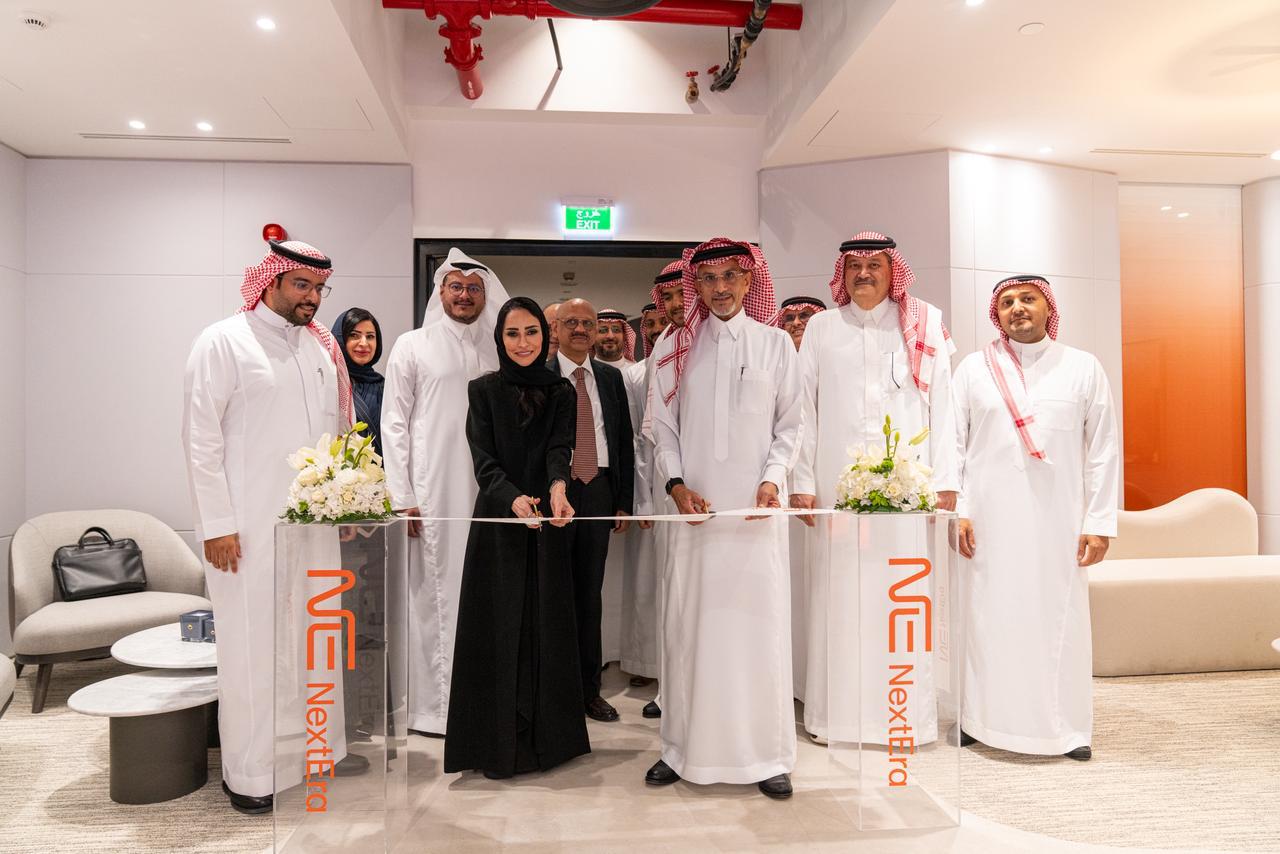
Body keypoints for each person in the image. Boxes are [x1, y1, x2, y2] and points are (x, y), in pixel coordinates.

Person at [182, 239, 363, 814]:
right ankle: (252, 773)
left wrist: (344, 505)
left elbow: (337, 433)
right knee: (253, 646)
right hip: (246, 530)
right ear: (270, 281)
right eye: (301, 285)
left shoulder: (320, 347)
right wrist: (216, 524)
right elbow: (200, 440)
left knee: (316, 638)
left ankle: (315, 755)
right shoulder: (223, 341)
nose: (312, 298)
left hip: (314, 525)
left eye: (319, 288)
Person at [789, 232, 959, 745]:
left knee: (901, 598)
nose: (864, 274)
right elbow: (802, 409)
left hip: (908, 493)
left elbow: (944, 406)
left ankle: (905, 718)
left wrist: (946, 481)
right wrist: (801, 482)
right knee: (838, 598)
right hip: (834, 488)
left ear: (893, 271)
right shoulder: (821, 328)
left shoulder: (923, 323)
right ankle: (835, 718)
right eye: (855, 266)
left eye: (875, 265)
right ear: (842, 273)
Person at [648, 238, 801, 799]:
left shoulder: (775, 344)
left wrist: (773, 479)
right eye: (708, 279)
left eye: (731, 277)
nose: (719, 288)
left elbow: (791, 425)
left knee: (758, 630)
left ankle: (767, 756)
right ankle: (680, 749)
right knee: (689, 629)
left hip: (756, 518)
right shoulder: (674, 347)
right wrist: (676, 485)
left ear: (749, 281)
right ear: (696, 286)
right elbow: (662, 428)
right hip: (694, 519)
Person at [954, 275, 1119, 761]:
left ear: (1049, 308)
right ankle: (979, 720)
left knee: (1059, 621)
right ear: (996, 314)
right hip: (988, 522)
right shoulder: (973, 369)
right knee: (988, 617)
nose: (1018, 308)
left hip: (1059, 523)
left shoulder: (1083, 367)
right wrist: (959, 511)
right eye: (1007, 302)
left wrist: (1099, 522)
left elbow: (1104, 450)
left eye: (1028, 299)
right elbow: (952, 444)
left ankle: (1067, 730)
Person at [444, 297, 591, 779]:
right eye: (513, 333)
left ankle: (547, 743)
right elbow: (483, 460)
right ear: (500, 338)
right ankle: (493, 744)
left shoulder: (561, 391)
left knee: (546, 620)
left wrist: (557, 488)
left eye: (531, 332)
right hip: (499, 521)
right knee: (498, 625)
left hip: (548, 520)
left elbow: (559, 447)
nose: (523, 342)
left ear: (545, 337)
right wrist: (512, 499)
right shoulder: (482, 390)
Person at [381, 248, 510, 737]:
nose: (464, 295)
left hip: (490, 491)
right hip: (431, 494)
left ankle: (484, 704)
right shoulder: (412, 345)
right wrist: (402, 496)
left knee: (487, 593)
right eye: (455, 286)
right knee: (433, 596)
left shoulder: (498, 348)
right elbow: (394, 423)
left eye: (474, 288)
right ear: (440, 292)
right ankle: (433, 710)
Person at [549, 298, 635, 723]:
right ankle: (554, 691)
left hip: (598, 489)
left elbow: (622, 440)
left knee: (589, 594)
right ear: (556, 329)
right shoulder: (541, 376)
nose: (581, 329)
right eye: (572, 322)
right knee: (554, 593)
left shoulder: (610, 377)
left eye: (589, 323)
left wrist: (623, 500)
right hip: (555, 494)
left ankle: (589, 690)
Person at [619, 299, 671, 698]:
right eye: (648, 324)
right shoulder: (637, 374)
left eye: (659, 323)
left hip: (688, 486)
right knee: (647, 580)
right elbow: (637, 438)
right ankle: (646, 662)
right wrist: (643, 498)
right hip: (651, 485)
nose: (654, 330)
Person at [332, 307, 385, 455]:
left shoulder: (385, 386)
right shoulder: (330, 383)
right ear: (341, 339)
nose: (364, 343)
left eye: (370, 336)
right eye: (354, 335)